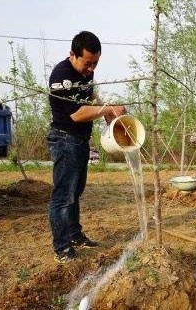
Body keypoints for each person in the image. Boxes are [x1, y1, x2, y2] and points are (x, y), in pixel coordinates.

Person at [47, 31, 125, 264]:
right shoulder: (62, 77)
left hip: (79, 141)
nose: (91, 69)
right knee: (63, 196)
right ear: (72, 54)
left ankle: (75, 235)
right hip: (64, 139)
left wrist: (107, 113)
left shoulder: (85, 76)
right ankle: (62, 248)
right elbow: (77, 113)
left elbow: (89, 103)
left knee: (75, 193)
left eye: (95, 64)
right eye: (88, 63)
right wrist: (107, 108)